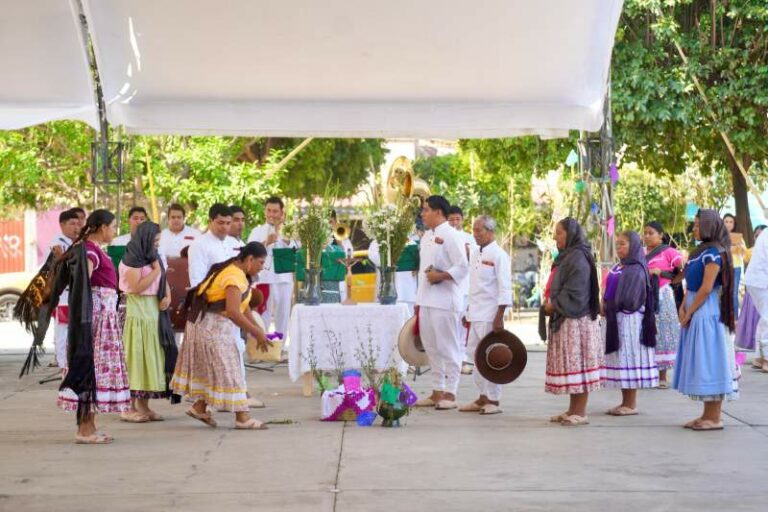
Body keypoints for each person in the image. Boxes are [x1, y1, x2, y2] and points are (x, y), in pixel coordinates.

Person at [171, 242, 271, 430]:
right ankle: (242, 418)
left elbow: (243, 306)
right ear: (250, 259)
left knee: (214, 370)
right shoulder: (234, 276)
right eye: (261, 262)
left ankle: (199, 408)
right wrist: (256, 332)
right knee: (230, 370)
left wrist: (258, 329)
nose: (262, 267)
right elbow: (233, 311)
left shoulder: (237, 271)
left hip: (207, 326)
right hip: (209, 327)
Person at [55, 209, 131, 444]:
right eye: (113, 226)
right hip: (97, 320)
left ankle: (90, 426)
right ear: (103, 227)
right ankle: (84, 430)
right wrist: (88, 318)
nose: (114, 231)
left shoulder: (95, 249)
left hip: (103, 317)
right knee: (91, 371)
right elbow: (83, 283)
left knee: (96, 372)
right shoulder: (90, 251)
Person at [674, 209, 738, 431]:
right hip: (695, 306)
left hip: (707, 310)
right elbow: (691, 286)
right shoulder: (701, 251)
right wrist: (683, 306)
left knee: (710, 360)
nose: (694, 228)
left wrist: (690, 311)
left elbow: (706, 288)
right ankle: (706, 415)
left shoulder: (714, 253)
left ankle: (714, 417)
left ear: (709, 226)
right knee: (702, 360)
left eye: (697, 225)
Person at [542, 218, 602, 426]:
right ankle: (572, 410)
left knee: (580, 365)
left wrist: (554, 304)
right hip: (568, 319)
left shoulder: (578, 257)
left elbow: (576, 292)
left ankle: (581, 412)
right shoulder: (568, 256)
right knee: (573, 367)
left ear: (571, 234)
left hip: (578, 320)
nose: (555, 237)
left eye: (559, 233)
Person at [413, 195, 469, 410]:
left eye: (426, 209)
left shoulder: (452, 235)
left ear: (438, 212)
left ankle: (451, 393)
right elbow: (423, 270)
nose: (422, 214)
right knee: (431, 348)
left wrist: (441, 276)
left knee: (448, 347)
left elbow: (462, 266)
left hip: (445, 301)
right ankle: (437, 391)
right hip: (426, 299)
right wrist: (418, 301)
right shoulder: (427, 236)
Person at [119, 222, 175, 423]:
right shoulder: (131, 259)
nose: (157, 244)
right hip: (137, 313)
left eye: (159, 240)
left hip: (153, 314)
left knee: (150, 358)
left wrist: (167, 297)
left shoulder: (154, 256)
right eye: (155, 240)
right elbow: (136, 287)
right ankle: (127, 407)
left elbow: (164, 281)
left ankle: (144, 405)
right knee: (135, 358)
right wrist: (156, 270)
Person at [458, 215, 512, 415]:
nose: (475, 234)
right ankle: (482, 397)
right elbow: (473, 286)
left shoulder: (499, 255)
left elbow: (505, 287)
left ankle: (494, 400)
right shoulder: (475, 253)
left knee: (493, 357)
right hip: (475, 313)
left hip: (490, 315)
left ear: (490, 231)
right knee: (476, 356)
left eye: (478, 230)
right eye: (473, 230)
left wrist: (499, 316)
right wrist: (467, 311)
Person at [601, 231, 658, 415]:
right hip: (615, 318)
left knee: (629, 360)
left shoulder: (636, 269)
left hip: (629, 320)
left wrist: (611, 306)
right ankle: (625, 402)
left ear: (633, 245)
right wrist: (604, 303)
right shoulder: (619, 266)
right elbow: (608, 289)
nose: (619, 247)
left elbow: (631, 299)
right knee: (621, 361)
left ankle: (631, 404)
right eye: (617, 244)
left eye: (623, 244)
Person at [247, 197, 298, 336]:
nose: (271, 214)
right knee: (263, 315)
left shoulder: (290, 231)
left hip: (284, 279)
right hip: (264, 279)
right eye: (269, 210)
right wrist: (266, 242)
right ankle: (260, 344)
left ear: (282, 213)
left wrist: (285, 238)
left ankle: (280, 345)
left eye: (275, 211)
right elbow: (249, 252)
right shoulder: (257, 231)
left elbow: (297, 250)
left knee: (283, 316)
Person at [643, 221, 684, 388]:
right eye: (645, 233)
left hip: (662, 295)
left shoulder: (669, 252)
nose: (647, 236)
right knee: (646, 331)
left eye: (651, 233)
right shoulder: (640, 252)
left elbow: (684, 269)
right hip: (644, 295)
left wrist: (664, 274)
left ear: (660, 235)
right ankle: (647, 373)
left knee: (662, 331)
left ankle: (662, 376)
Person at [48, 209, 82, 370]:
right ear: (62, 225)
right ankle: (63, 366)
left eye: (78, 224)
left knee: (75, 332)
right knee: (63, 333)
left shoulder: (77, 242)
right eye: (72, 224)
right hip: (64, 295)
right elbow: (58, 264)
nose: (76, 227)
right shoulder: (58, 242)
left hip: (76, 294)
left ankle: (72, 365)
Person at [448, 206, 477, 374]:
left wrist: (467, 251)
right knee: (450, 325)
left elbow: (476, 259)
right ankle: (452, 360)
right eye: (451, 219)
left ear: (462, 220)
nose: (454, 222)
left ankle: (463, 359)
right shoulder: (443, 238)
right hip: (449, 288)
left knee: (464, 324)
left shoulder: (470, 238)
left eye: (457, 219)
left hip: (466, 288)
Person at [368, 235, 419, 316]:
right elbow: (373, 255)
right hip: (386, 288)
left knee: (408, 316)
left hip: (407, 289)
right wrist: (389, 258)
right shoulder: (379, 240)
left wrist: (417, 266)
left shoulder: (410, 241)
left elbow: (418, 258)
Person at [744, 222, 768, 372]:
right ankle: (766, 359)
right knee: (767, 317)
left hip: (757, 280)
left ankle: (759, 357)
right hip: (761, 280)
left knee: (764, 316)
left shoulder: (765, 233)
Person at [723, 213, 746, 318]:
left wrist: (740, 247)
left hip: (736, 267)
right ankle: (724, 318)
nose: (728, 224)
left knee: (733, 294)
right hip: (723, 267)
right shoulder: (718, 237)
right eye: (726, 221)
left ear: (734, 224)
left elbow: (744, 253)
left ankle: (735, 319)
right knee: (723, 292)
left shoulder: (738, 237)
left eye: (731, 222)